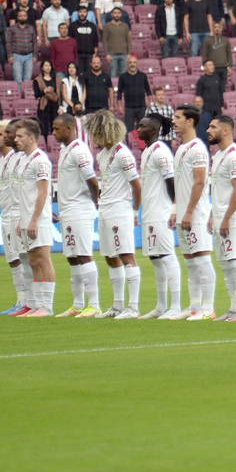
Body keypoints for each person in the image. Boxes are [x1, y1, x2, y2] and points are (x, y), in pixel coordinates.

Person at [86, 109, 142, 319]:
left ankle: (133, 306)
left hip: (120, 209)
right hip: (106, 209)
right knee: (110, 257)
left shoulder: (123, 153)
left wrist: (135, 210)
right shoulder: (102, 154)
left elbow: (136, 184)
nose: (93, 138)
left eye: (95, 133)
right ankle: (118, 305)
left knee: (126, 255)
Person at [52, 113, 103, 317]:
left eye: (57, 128)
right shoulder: (65, 150)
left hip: (80, 210)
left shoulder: (80, 150)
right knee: (72, 257)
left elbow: (91, 179)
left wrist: (95, 200)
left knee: (83, 255)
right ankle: (78, 304)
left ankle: (95, 304)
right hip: (68, 210)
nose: (54, 132)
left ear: (70, 127)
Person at [136, 114, 184, 319]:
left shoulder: (161, 151)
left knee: (167, 256)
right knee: (156, 258)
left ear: (154, 129)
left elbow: (170, 180)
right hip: (149, 212)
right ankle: (161, 305)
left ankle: (175, 305)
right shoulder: (147, 151)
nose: (138, 129)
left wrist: (174, 207)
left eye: (142, 126)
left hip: (161, 212)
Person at [172, 104, 216, 320]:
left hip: (196, 214)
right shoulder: (181, 149)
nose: (174, 121)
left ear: (190, 121)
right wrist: (176, 210)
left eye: (178, 117)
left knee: (201, 259)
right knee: (190, 260)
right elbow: (180, 183)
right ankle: (194, 306)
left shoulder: (198, 148)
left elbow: (199, 182)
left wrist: (189, 212)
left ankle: (208, 307)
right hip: (182, 213)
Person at [207, 114, 236, 322]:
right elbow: (218, 189)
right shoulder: (217, 156)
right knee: (225, 263)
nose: (208, 130)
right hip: (219, 215)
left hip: (232, 218)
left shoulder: (235, 155)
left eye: (213, 127)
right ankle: (234, 308)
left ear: (225, 131)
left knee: (235, 261)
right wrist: (211, 214)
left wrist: (226, 218)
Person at [12, 119, 58, 316]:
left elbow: (42, 193)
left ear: (31, 138)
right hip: (27, 218)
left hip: (38, 219)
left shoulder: (40, 160)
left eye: (20, 136)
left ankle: (46, 306)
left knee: (43, 259)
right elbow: (25, 194)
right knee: (33, 261)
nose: (16, 139)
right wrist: (23, 220)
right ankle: (38, 304)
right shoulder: (25, 160)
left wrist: (33, 220)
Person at [0, 120, 34, 314]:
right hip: (5, 214)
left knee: (22, 258)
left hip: (18, 214)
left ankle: (28, 301)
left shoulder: (19, 159)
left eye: (0, 134)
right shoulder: (2, 161)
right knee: (12, 259)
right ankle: (21, 300)